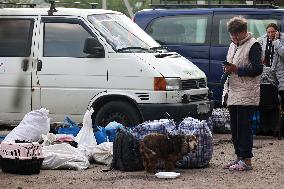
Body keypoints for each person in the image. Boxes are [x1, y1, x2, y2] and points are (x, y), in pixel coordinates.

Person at [222, 17, 263, 171]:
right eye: (231, 35)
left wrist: (237, 70)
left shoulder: (254, 45)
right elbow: (232, 62)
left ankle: (247, 161)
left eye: (236, 35)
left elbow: (258, 69)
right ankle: (239, 157)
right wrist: (227, 68)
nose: (233, 38)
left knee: (244, 128)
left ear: (244, 32)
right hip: (233, 91)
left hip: (246, 93)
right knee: (235, 128)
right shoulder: (233, 45)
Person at [258, 23, 284, 138]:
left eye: (272, 32)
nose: (270, 34)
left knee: (280, 101)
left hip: (280, 74)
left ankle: (279, 129)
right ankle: (268, 128)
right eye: (268, 32)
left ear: (277, 31)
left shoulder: (281, 39)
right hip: (267, 74)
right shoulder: (262, 40)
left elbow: (283, 53)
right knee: (268, 101)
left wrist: (277, 41)